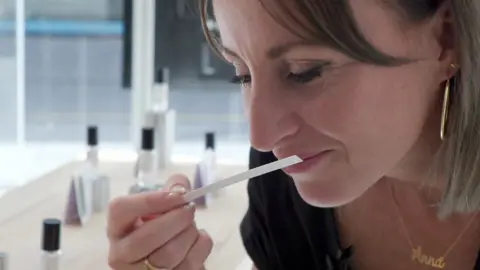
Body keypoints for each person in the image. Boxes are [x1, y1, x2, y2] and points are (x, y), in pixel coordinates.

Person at [107, 0, 480, 269]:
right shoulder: (287, 182)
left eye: (305, 71)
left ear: (445, 39)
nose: (262, 138)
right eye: (243, 74)